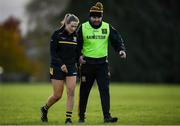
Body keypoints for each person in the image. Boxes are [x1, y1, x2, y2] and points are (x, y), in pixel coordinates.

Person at [77, 2, 126, 123]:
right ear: (90, 17)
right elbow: (76, 45)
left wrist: (121, 50)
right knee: (84, 91)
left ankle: (107, 117)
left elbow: (117, 39)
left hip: (102, 65)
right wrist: (78, 57)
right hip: (87, 64)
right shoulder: (83, 27)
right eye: (94, 17)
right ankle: (81, 117)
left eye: (99, 17)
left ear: (101, 17)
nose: (96, 19)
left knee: (104, 90)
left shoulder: (107, 27)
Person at [40, 13, 79, 124]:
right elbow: (53, 53)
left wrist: (79, 61)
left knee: (71, 92)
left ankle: (68, 118)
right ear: (66, 24)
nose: (74, 28)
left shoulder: (76, 36)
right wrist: (61, 64)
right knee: (57, 95)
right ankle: (44, 109)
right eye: (72, 26)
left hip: (71, 67)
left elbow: (77, 52)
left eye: (76, 26)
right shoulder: (56, 34)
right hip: (57, 66)